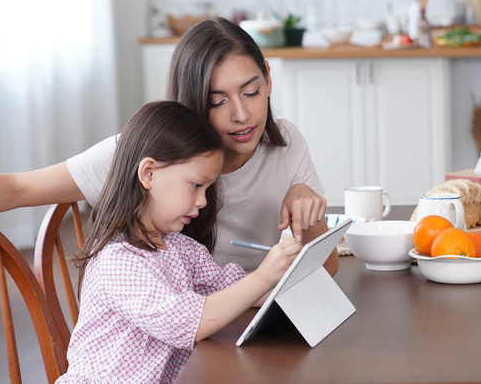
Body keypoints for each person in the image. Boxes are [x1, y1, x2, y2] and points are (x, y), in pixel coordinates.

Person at [0, 18, 336, 274]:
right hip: (175, 333)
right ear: (193, 100)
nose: (241, 114)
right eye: (217, 100)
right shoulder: (147, 154)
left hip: (255, 316)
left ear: (269, 79)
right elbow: (17, 188)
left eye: (251, 92)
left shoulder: (286, 143)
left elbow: (328, 269)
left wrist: (311, 211)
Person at [57, 102, 303, 383]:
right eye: (197, 185)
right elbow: (185, 323)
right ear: (149, 173)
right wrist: (263, 276)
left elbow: (233, 292)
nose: (203, 201)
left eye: (208, 189)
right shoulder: (117, 259)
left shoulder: (181, 249)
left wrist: (284, 277)